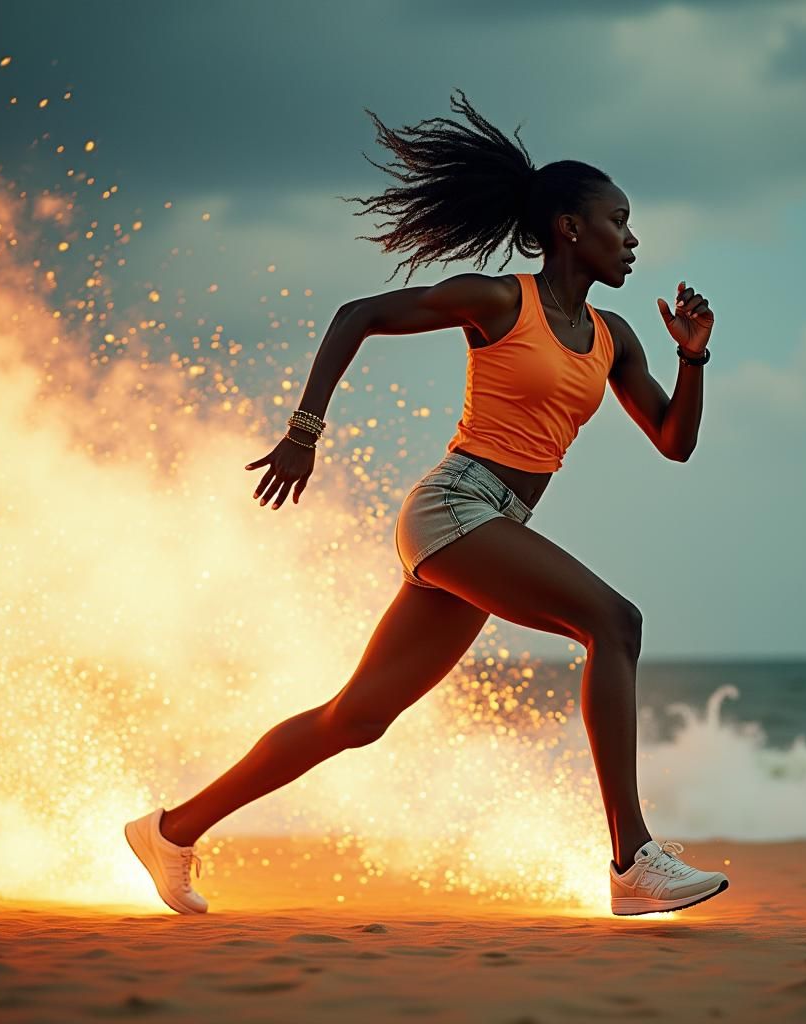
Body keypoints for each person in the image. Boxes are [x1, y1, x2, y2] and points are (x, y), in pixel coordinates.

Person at [124, 88, 727, 917]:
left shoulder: (615, 337)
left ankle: (170, 831)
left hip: (496, 528)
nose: (632, 239)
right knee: (614, 622)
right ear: (569, 228)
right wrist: (305, 431)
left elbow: (673, 440)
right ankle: (632, 859)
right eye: (618, 220)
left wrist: (692, 359)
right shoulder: (499, 301)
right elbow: (357, 314)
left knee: (356, 718)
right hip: (455, 507)